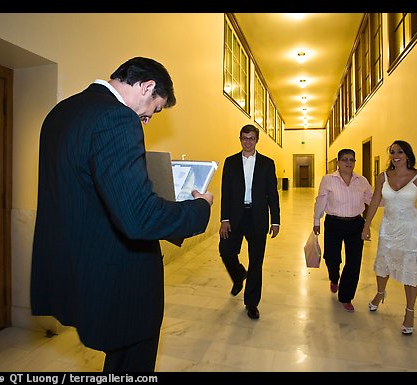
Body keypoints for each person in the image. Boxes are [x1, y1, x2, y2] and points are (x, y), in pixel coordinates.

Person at [30, 57, 213, 372]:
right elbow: (138, 217)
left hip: (75, 269)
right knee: (132, 360)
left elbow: (85, 191)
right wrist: (199, 209)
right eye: (153, 111)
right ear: (147, 86)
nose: (146, 119)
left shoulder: (61, 112)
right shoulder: (118, 118)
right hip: (118, 278)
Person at [361, 140, 417, 335]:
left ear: (408, 155)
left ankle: (409, 312)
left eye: (400, 152)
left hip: (411, 230)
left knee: (410, 269)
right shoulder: (383, 177)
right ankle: (380, 293)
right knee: (383, 263)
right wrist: (366, 226)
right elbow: (374, 201)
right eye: (392, 152)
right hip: (388, 227)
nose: (396, 155)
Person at [219, 124, 280, 320]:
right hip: (235, 217)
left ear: (257, 140)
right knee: (226, 251)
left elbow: (273, 194)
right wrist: (224, 219)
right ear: (240, 139)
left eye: (251, 138)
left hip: (258, 217)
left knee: (256, 262)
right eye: (244, 138)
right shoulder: (230, 162)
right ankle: (238, 275)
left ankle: (251, 303)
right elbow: (225, 192)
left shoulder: (267, 164)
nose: (247, 142)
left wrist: (276, 220)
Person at [313, 149, 373, 312]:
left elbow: (372, 200)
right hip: (334, 223)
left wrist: (394, 199)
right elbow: (321, 200)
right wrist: (316, 220)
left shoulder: (362, 181)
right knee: (332, 257)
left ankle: (346, 296)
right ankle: (334, 277)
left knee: (354, 262)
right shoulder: (328, 180)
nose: (348, 163)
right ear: (338, 162)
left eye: (352, 160)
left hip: (356, 224)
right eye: (345, 159)